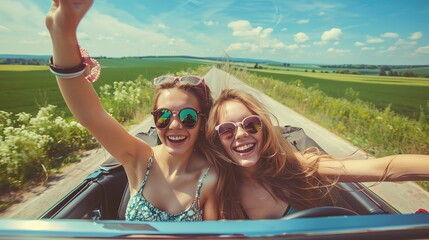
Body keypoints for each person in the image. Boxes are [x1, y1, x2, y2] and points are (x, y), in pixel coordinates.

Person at [45, 0, 218, 221]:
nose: (175, 125)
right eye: (163, 116)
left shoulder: (210, 178)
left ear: (202, 121)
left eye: (188, 117)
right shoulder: (139, 159)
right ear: (155, 119)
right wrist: (63, 32)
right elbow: (90, 115)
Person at [205, 88, 429, 220]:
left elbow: (383, 168)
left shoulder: (294, 164)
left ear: (263, 129)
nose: (241, 134)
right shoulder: (219, 187)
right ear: (217, 140)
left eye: (251, 124)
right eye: (227, 130)